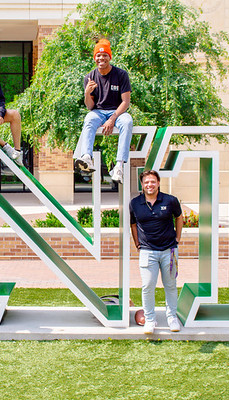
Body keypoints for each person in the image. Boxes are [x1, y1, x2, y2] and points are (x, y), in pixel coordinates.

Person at [129, 170, 183, 334]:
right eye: (146, 182)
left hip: (170, 250)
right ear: (142, 185)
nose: (149, 185)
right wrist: (138, 244)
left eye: (152, 182)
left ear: (158, 183)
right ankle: (150, 320)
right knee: (147, 286)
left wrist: (178, 239)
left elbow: (179, 217)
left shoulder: (170, 200)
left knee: (171, 285)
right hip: (147, 251)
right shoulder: (135, 203)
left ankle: (172, 317)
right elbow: (133, 225)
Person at [74, 38, 133, 184]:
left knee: (128, 121)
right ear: (95, 58)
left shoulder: (121, 75)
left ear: (109, 57)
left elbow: (126, 101)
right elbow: (90, 106)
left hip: (117, 112)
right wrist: (87, 93)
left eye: (105, 55)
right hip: (98, 112)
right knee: (89, 118)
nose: (101, 58)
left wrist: (112, 119)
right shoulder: (89, 77)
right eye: (98, 56)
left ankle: (119, 165)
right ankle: (87, 157)